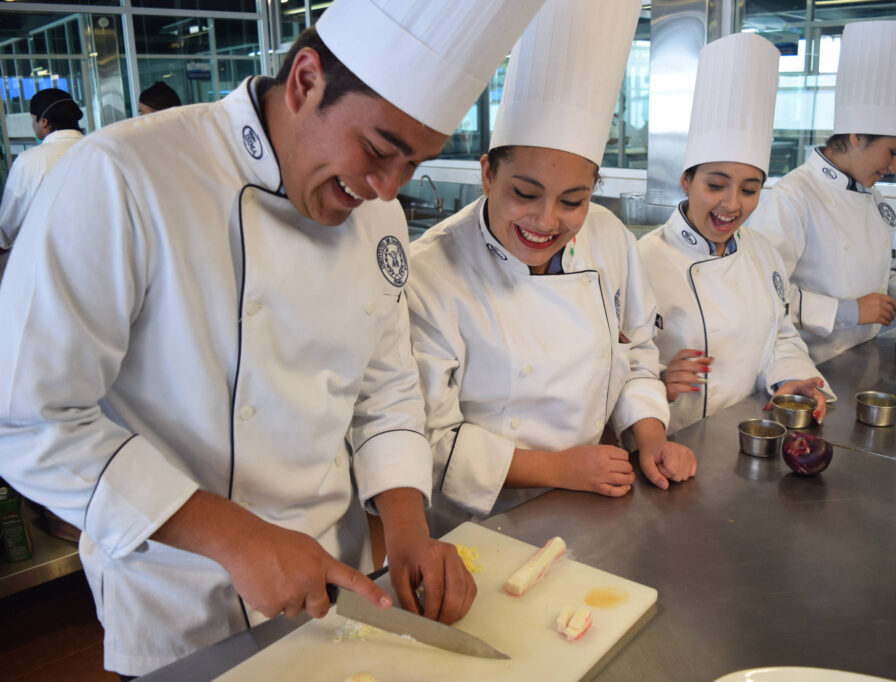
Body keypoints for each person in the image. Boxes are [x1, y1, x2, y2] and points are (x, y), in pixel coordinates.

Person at [0, 0, 543, 676]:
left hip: (332, 587)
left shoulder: (378, 218)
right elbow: (28, 419)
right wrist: (236, 537)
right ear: (305, 78)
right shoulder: (123, 176)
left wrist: (407, 529)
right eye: (378, 151)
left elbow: (386, 388)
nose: (385, 190)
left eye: (413, 165)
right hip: (177, 592)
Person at [406, 0, 696, 533]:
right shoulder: (431, 272)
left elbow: (634, 354)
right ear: (487, 173)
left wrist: (651, 436)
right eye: (525, 193)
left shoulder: (608, 237)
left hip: (593, 500)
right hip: (477, 523)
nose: (547, 221)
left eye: (573, 200)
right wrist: (559, 468)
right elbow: (424, 439)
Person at [749, 21, 896, 363]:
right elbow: (761, 291)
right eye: (894, 150)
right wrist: (846, 311)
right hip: (801, 366)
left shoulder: (874, 199)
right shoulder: (793, 196)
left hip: (857, 359)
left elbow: (876, 282)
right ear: (856, 135)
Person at [638, 33, 833, 434]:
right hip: (671, 441)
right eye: (715, 185)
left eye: (749, 189)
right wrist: (657, 379)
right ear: (686, 180)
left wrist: (789, 379)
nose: (732, 205)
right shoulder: (642, 260)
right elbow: (615, 361)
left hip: (749, 432)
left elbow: (778, 335)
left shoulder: (762, 253)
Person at [0, 88, 84, 278]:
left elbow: (8, 228)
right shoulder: (101, 149)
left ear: (43, 122)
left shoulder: (31, 161)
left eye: (33, 118)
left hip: (51, 268)